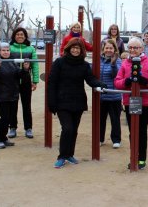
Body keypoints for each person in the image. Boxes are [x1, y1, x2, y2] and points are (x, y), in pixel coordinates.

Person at [48, 38, 107, 169]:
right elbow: (52, 83)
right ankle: (62, 156)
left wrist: (101, 85)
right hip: (62, 101)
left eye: (78, 48)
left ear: (81, 51)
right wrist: (51, 102)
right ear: (68, 48)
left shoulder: (84, 65)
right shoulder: (59, 62)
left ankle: (70, 154)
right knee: (67, 128)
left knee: (74, 130)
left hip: (78, 101)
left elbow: (90, 79)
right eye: (73, 48)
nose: (75, 50)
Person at [114, 37, 148, 170]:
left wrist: (145, 81)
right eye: (130, 48)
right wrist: (127, 81)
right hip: (131, 101)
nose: (132, 50)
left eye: (135, 48)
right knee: (132, 130)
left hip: (145, 102)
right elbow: (117, 82)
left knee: (142, 130)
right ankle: (133, 156)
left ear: (141, 48)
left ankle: (141, 159)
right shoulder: (125, 63)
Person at [0, 43, 30, 149]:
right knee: (4, 117)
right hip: (1, 95)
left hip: (13, 95)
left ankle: (4, 138)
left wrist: (25, 69)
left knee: (10, 118)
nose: (6, 52)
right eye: (3, 50)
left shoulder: (12, 61)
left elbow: (19, 75)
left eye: (7, 50)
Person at [8, 27, 39, 139]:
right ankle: (12, 128)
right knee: (12, 106)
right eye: (18, 34)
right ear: (14, 36)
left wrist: (35, 80)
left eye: (22, 34)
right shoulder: (10, 48)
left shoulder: (30, 49)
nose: (20, 36)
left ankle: (28, 128)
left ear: (25, 36)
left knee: (27, 105)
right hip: (13, 81)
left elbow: (35, 65)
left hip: (26, 80)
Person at [99, 39, 123, 148]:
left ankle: (116, 139)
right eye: (107, 48)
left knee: (115, 119)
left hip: (114, 96)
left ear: (114, 49)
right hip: (101, 95)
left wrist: (113, 64)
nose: (108, 50)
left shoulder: (118, 61)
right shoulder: (99, 60)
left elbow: (116, 75)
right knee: (100, 119)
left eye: (111, 48)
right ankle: (100, 138)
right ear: (103, 49)